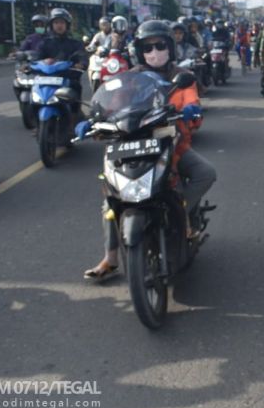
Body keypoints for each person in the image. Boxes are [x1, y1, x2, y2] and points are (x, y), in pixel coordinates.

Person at [81, 20, 217, 281]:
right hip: (133, 145)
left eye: (160, 46)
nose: (154, 52)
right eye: (148, 47)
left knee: (206, 173)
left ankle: (184, 212)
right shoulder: (130, 78)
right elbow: (113, 104)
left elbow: (191, 100)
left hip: (173, 146)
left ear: (170, 48)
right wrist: (90, 120)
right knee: (111, 198)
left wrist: (191, 110)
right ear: (139, 51)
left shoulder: (181, 76)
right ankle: (110, 258)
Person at [37, 8, 88, 123]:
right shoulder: (45, 42)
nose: (59, 25)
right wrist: (29, 65)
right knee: (34, 91)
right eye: (56, 22)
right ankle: (37, 122)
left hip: (68, 78)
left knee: (76, 87)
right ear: (51, 25)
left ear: (67, 25)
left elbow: (82, 56)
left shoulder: (75, 43)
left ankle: (74, 119)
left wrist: (81, 64)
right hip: (48, 79)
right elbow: (36, 57)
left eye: (62, 22)